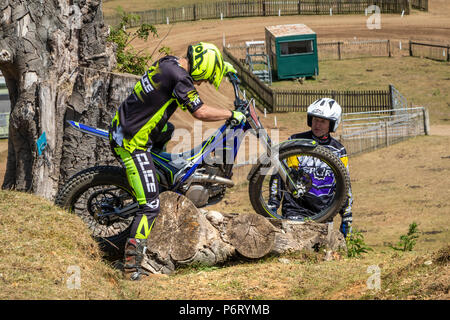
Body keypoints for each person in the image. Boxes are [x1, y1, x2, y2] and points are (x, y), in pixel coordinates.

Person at [109, 42, 245, 280]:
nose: (201, 84)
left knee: (168, 128)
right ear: (201, 68)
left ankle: (158, 179)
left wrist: (225, 69)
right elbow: (200, 112)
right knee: (150, 206)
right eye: (204, 79)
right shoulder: (181, 78)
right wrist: (230, 114)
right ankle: (132, 266)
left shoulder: (170, 62)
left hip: (125, 124)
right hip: (132, 142)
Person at [268, 98, 353, 237]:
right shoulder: (295, 141)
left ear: (332, 124)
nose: (317, 125)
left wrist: (347, 214)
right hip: (295, 210)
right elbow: (279, 173)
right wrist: (272, 204)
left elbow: (345, 184)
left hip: (324, 212)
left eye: (322, 121)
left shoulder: (338, 151)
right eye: (315, 120)